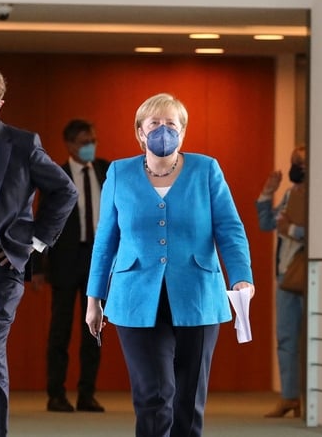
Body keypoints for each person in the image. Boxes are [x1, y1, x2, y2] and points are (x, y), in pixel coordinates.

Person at [85, 92, 255, 437]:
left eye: (171, 124)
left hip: (197, 294)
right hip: (135, 296)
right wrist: (94, 299)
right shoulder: (119, 173)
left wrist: (240, 278)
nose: (163, 130)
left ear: (183, 131)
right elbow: (106, 241)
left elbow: (229, 228)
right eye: (154, 124)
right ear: (139, 132)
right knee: (153, 395)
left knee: (188, 400)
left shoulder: (206, 169)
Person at [0, 65, 78, 437]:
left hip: (1, 268)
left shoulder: (22, 144)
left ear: (1, 103)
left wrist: (34, 242)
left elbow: (65, 191)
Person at [31, 119, 109, 413]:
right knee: (60, 331)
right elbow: (42, 224)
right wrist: (37, 267)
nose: (90, 146)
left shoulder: (106, 170)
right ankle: (56, 394)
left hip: (98, 261)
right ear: (70, 145)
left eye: (93, 141)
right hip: (64, 262)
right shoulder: (57, 176)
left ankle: (87, 394)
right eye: (84, 142)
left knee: (94, 330)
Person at [256, 145, 306, 418]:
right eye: (294, 161)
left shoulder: (318, 194)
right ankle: (289, 397)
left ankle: (311, 399)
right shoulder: (289, 194)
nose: (296, 166)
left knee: (312, 339)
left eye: (300, 161)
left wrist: (291, 229)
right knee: (286, 338)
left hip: (309, 276)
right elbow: (266, 224)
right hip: (286, 276)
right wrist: (267, 192)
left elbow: (318, 232)